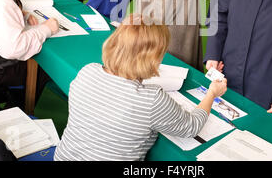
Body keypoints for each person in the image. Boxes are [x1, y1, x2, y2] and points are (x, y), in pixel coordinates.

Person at [54, 14, 227, 161]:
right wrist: (212, 93)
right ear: (153, 58)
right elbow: (192, 126)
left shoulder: (87, 71)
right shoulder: (151, 99)